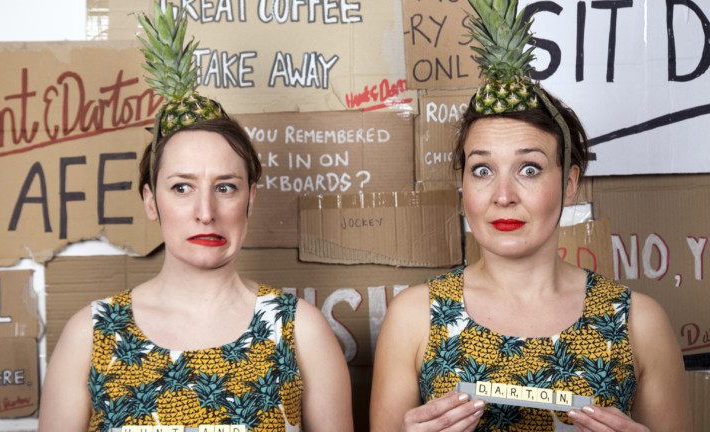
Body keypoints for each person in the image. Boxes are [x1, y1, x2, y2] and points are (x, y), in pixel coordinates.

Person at [370, 1, 691, 430]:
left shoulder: (639, 322)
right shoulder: (414, 316)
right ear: (463, 183)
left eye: (529, 169)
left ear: (570, 182)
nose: (503, 196)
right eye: (482, 170)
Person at [38, 116, 353, 432]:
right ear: (151, 202)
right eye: (182, 187)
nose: (206, 212)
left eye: (225, 187)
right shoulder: (90, 335)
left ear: (250, 200)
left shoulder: (301, 330)